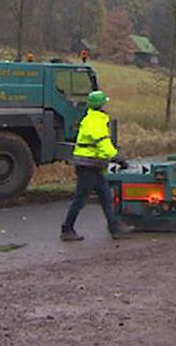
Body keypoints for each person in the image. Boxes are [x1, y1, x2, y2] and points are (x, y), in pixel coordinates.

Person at [61, 90, 134, 241]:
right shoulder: (96, 121)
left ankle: (114, 227)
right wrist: (117, 157)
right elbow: (103, 143)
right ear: (100, 105)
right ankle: (67, 229)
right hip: (88, 166)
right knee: (80, 199)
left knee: (106, 196)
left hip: (91, 165)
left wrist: (113, 156)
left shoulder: (91, 118)